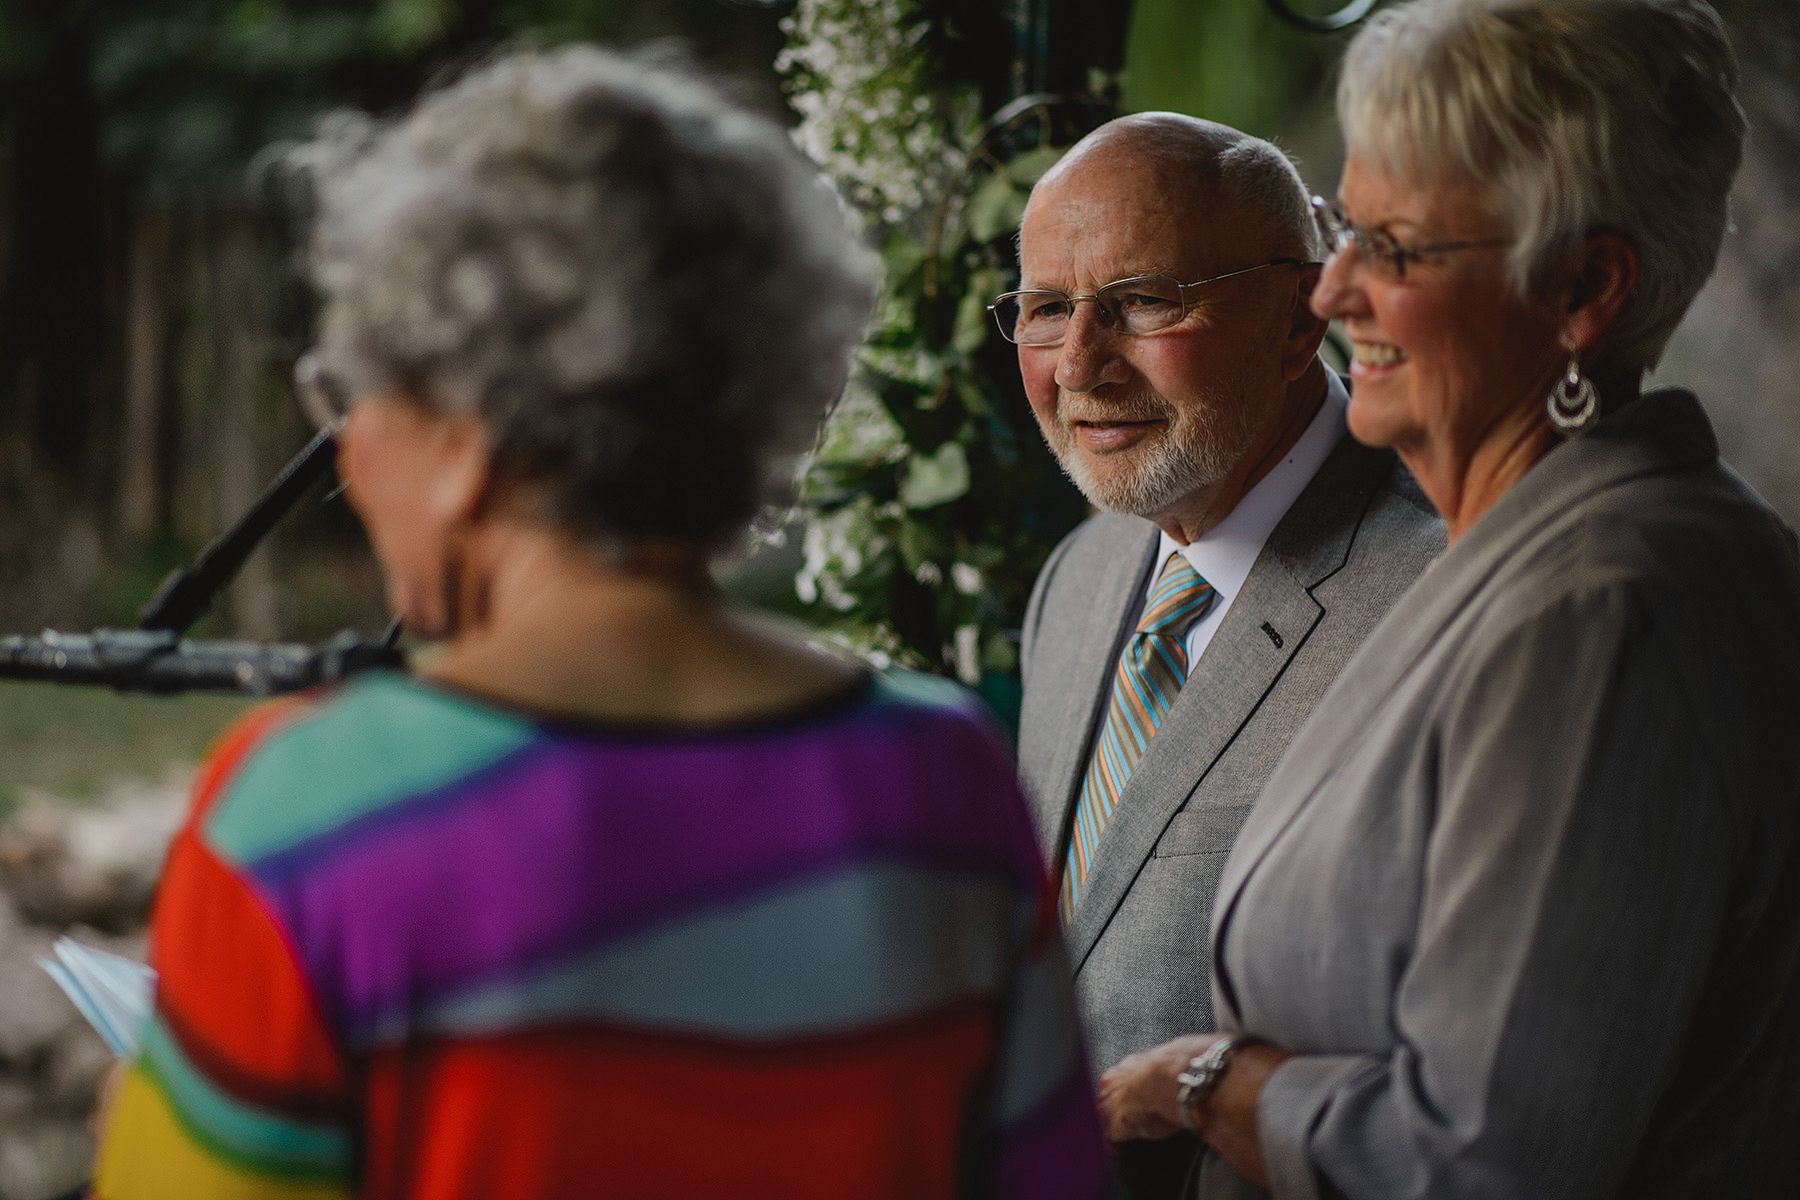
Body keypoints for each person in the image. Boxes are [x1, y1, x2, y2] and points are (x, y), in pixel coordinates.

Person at [90, 48, 1109, 1200]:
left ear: (472, 436)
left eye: (351, 398)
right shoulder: (944, 778)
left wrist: (143, 1129)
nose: (354, 454)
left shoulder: (302, 819)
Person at [1098, 1, 1800, 1196]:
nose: (1331, 295)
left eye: (1399, 250)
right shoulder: (1524, 559)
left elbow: (1477, 1160)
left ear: (1584, 288)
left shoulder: (1609, 614)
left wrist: (1210, 1082)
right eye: (1342, 232)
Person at [1002, 114, 1444, 1194]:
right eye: (1047, 309)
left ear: (1302, 318)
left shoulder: (1442, 603)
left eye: (1146, 300)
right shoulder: (1080, 577)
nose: (1079, 365)